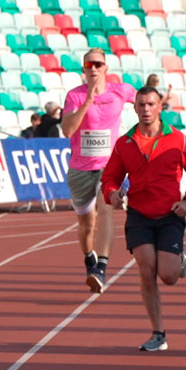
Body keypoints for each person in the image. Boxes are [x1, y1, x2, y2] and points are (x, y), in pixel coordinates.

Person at [101, 86, 186, 351]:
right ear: (135, 108)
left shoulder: (178, 139)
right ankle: (158, 333)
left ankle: (178, 259)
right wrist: (112, 194)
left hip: (170, 215)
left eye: (151, 104)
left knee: (168, 276)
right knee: (146, 270)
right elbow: (109, 178)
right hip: (138, 215)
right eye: (141, 105)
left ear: (160, 107)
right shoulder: (124, 143)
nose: (146, 109)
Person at [62, 48, 137, 293]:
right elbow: (68, 131)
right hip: (81, 168)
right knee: (86, 225)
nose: (93, 69)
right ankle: (89, 258)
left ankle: (101, 268)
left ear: (106, 68)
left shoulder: (120, 91)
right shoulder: (75, 96)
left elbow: (145, 102)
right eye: (88, 65)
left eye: (97, 64)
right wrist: (87, 102)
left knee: (106, 210)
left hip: (109, 166)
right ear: (83, 69)